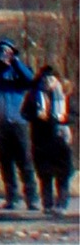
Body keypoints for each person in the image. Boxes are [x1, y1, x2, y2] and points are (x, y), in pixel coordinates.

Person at [0, 38, 40, 212]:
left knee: (25, 161)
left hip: (18, 122)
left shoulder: (18, 71)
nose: (4, 55)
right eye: (0, 51)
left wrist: (15, 61)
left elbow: (31, 80)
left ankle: (32, 198)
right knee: (6, 162)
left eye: (7, 51)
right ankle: (12, 198)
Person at [32, 62, 73, 216]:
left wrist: (63, 119)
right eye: (45, 78)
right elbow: (25, 113)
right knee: (45, 174)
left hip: (61, 140)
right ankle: (47, 204)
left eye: (51, 78)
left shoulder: (64, 94)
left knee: (62, 175)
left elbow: (74, 114)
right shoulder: (35, 95)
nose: (48, 81)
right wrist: (37, 116)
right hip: (41, 140)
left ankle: (61, 204)